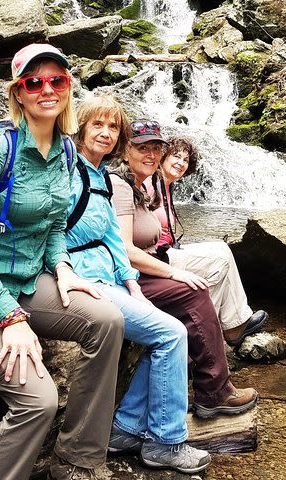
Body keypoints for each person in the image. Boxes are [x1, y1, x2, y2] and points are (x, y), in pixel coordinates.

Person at [0, 43, 124, 480]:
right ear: (18, 93)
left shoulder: (68, 152)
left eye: (56, 80)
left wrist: (63, 269)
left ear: (68, 87)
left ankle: (78, 460)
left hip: (26, 282)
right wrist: (12, 319)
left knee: (108, 321)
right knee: (38, 401)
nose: (46, 89)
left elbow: (54, 227)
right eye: (33, 82)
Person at [65, 94, 210, 474]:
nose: (106, 133)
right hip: (86, 280)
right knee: (172, 334)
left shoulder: (99, 177)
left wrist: (132, 285)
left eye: (113, 127)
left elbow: (114, 239)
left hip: (110, 277)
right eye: (98, 124)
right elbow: (50, 232)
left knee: (159, 330)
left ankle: (126, 428)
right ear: (80, 127)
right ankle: (165, 442)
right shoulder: (66, 171)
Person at [109, 119, 259, 419]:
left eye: (156, 148)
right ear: (125, 150)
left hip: (142, 270)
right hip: (124, 277)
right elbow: (125, 251)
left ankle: (210, 369)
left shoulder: (137, 184)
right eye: (143, 148)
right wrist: (174, 271)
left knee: (203, 279)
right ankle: (215, 389)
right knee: (195, 289)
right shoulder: (121, 185)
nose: (151, 155)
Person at [145, 136, 268, 346]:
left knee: (221, 251)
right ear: (163, 157)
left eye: (185, 159)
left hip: (167, 252)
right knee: (220, 257)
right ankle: (215, 329)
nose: (180, 163)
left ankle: (223, 326)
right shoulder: (149, 184)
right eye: (176, 156)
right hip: (157, 258)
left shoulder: (166, 186)